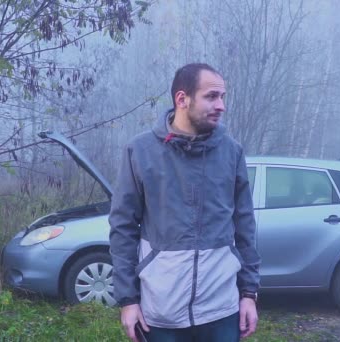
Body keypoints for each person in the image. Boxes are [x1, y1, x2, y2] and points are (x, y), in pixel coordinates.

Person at [109, 63, 261, 342]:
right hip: (161, 310)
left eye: (223, 97)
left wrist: (249, 294)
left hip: (221, 310)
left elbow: (245, 226)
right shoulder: (140, 151)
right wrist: (128, 300)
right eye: (212, 96)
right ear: (182, 99)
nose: (221, 105)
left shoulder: (231, 152)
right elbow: (122, 228)